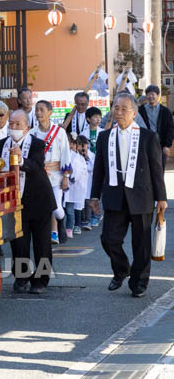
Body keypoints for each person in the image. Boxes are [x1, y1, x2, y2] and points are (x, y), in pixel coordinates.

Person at [90, 92, 167, 298]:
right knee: (109, 239)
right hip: (115, 195)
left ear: (134, 113)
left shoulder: (148, 137)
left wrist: (162, 198)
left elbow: (156, 169)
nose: (119, 112)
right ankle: (122, 269)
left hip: (141, 196)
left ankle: (139, 282)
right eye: (116, 108)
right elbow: (99, 170)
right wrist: (94, 196)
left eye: (124, 109)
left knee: (141, 243)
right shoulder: (105, 137)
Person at [0, 110, 56, 293]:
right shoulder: (0, 145)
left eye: (18, 124)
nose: (13, 128)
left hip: (39, 200)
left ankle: (41, 280)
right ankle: (21, 277)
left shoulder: (37, 144)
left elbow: (36, 165)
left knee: (42, 244)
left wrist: (20, 159)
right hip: (14, 202)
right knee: (19, 243)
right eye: (11, 124)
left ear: (27, 127)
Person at [32, 100, 71, 244]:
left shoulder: (59, 132)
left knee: (57, 208)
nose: (38, 113)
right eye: (37, 110)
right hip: (39, 176)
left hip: (56, 176)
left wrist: (66, 176)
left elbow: (65, 155)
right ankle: (47, 234)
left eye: (42, 110)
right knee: (41, 208)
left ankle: (61, 222)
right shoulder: (32, 133)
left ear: (50, 112)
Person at [139, 84, 174, 165]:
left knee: (159, 170)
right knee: (146, 169)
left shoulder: (165, 112)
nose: (150, 96)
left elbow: (170, 129)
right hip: (145, 145)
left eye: (153, 94)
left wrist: (167, 145)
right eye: (148, 94)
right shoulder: (140, 110)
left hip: (161, 145)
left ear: (158, 95)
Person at [65, 136, 90, 238]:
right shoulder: (65, 155)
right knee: (62, 209)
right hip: (64, 184)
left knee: (71, 209)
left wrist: (71, 178)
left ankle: (70, 228)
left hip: (73, 186)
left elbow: (79, 171)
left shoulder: (77, 157)